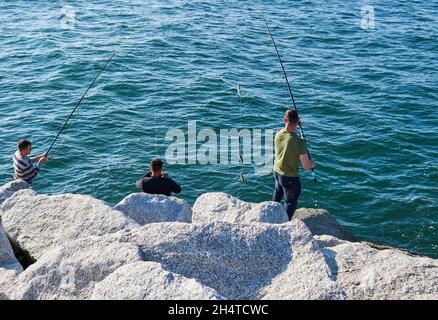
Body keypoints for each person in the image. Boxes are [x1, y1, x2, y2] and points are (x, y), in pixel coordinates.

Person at [273, 109, 316, 220]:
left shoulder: (278, 133)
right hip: (290, 178)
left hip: (277, 172)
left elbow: (288, 141)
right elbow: (306, 166)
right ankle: (284, 225)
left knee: (277, 194)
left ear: (284, 120)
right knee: (290, 202)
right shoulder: (300, 143)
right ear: (298, 121)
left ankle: (271, 215)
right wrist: (312, 163)